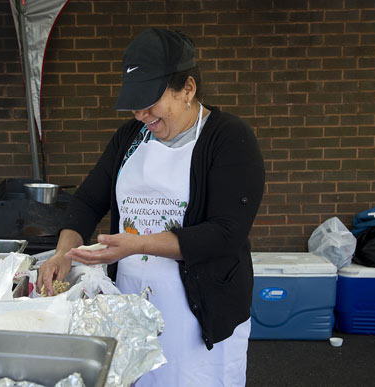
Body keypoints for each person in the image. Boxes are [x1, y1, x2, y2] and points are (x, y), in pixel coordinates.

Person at [38, 27, 265, 386]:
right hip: (132, 306)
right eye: (135, 104)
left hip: (199, 319)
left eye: (150, 102)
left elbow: (226, 234)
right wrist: (64, 254)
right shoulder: (130, 137)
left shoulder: (229, 138)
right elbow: (87, 200)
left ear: (187, 89)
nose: (141, 114)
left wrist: (138, 244)